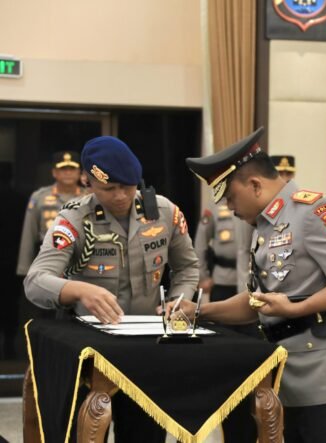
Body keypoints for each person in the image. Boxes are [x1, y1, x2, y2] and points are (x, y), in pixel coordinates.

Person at [179, 127, 326, 443]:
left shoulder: (313, 211)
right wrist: (199, 312)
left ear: (255, 185)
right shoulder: (266, 226)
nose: (230, 208)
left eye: (231, 197)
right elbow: (260, 301)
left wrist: (298, 307)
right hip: (294, 374)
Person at [24, 136, 199, 442]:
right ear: (87, 182)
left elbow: (187, 267)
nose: (120, 196)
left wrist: (178, 299)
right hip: (91, 351)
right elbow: (36, 280)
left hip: (146, 348)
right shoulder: (73, 219)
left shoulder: (164, 211)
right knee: (86, 433)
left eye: (128, 187)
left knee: (145, 434)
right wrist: (78, 290)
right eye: (109, 188)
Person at [194, 195, 258, 337]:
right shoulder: (215, 205)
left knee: (251, 335)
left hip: (251, 279)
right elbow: (200, 243)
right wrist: (203, 276)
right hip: (223, 279)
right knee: (222, 332)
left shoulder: (252, 204)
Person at [17, 151, 85, 278]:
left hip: (82, 261)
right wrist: (24, 269)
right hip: (48, 258)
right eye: (63, 168)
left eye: (72, 168)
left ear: (79, 172)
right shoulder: (40, 197)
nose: (68, 172)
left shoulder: (88, 197)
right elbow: (29, 233)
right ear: (54, 172)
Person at [0, 162, 26, 359]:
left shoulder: (19, 200)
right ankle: (9, 342)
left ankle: (8, 342)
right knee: (11, 302)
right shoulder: (19, 200)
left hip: (10, 257)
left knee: (9, 302)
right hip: (12, 258)